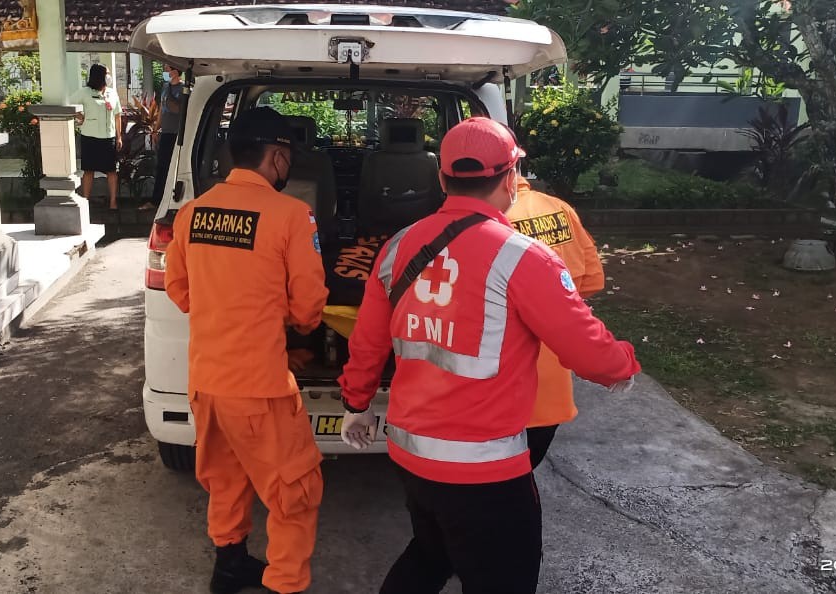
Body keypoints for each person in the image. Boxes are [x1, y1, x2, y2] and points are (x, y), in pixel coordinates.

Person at [337, 117, 641, 594]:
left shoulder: (397, 247)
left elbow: (368, 345)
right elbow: (588, 350)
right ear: (509, 178)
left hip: (411, 455)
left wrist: (356, 405)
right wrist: (623, 363)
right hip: (485, 471)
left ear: (441, 178)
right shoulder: (524, 257)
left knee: (431, 552)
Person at [164, 107, 328, 594]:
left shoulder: (193, 213)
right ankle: (285, 583)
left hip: (206, 383)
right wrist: (283, 320)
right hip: (261, 388)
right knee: (297, 492)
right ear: (277, 157)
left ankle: (230, 568)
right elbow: (308, 307)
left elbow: (180, 289)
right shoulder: (292, 215)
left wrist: (228, 307)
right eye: (287, 158)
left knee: (226, 478)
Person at [507, 176, 606, 468]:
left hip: (501, 395)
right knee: (523, 478)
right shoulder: (560, 208)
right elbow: (592, 280)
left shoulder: (486, 222)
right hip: (551, 393)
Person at [73, 63, 123, 209]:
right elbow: (69, 103)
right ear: (98, 76)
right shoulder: (85, 92)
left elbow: (118, 114)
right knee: (89, 170)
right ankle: (85, 200)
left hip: (109, 137)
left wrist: (119, 137)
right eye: (106, 73)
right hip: (90, 137)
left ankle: (113, 202)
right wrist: (79, 116)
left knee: (111, 171)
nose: (109, 76)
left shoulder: (112, 93)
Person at [152, 64, 186, 204]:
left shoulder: (185, 89)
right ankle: (157, 199)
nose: (165, 71)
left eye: (167, 69)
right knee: (162, 166)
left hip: (178, 133)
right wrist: (155, 128)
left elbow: (178, 109)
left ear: (175, 71)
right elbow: (161, 109)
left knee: (176, 167)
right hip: (165, 132)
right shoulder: (165, 87)